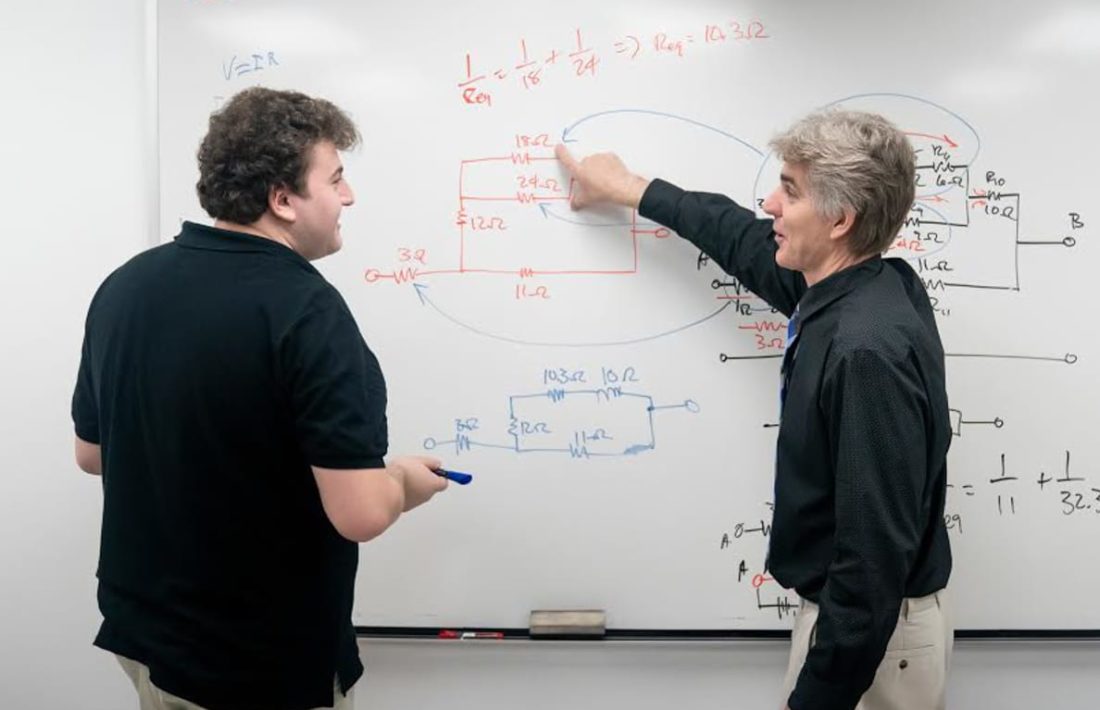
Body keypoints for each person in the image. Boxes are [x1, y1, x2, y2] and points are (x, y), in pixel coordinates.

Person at [556, 110, 952, 710]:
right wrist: (631, 188)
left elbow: (872, 559)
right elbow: (736, 235)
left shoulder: (866, 348)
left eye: (789, 190)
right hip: (861, 628)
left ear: (839, 220)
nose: (769, 202)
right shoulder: (858, 285)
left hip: (871, 640)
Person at [72, 86, 448, 710]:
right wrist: (403, 480)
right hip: (255, 664)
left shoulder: (127, 285)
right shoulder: (307, 310)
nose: (348, 196)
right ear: (282, 200)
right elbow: (359, 513)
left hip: (146, 639)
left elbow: (93, 453)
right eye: (335, 179)